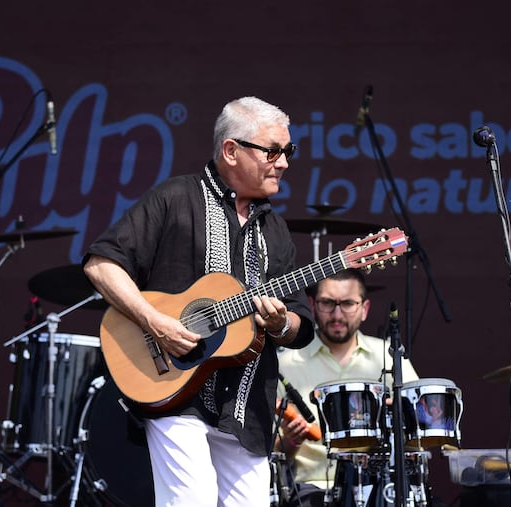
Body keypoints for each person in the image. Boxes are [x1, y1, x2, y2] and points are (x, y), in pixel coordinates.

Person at [82, 96, 315, 507]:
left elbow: (298, 321)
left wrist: (280, 324)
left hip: (246, 408)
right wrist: (154, 322)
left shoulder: (275, 230)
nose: (283, 163)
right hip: (174, 391)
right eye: (273, 151)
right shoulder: (176, 198)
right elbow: (102, 265)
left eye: (288, 151)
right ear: (231, 150)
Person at [274, 269, 420, 506]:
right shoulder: (284, 363)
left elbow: (419, 425)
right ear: (312, 305)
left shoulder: (390, 356)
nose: (337, 314)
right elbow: (269, 454)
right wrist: (289, 442)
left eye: (348, 304)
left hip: (380, 485)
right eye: (328, 303)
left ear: (365, 308)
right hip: (313, 489)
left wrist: (399, 415)